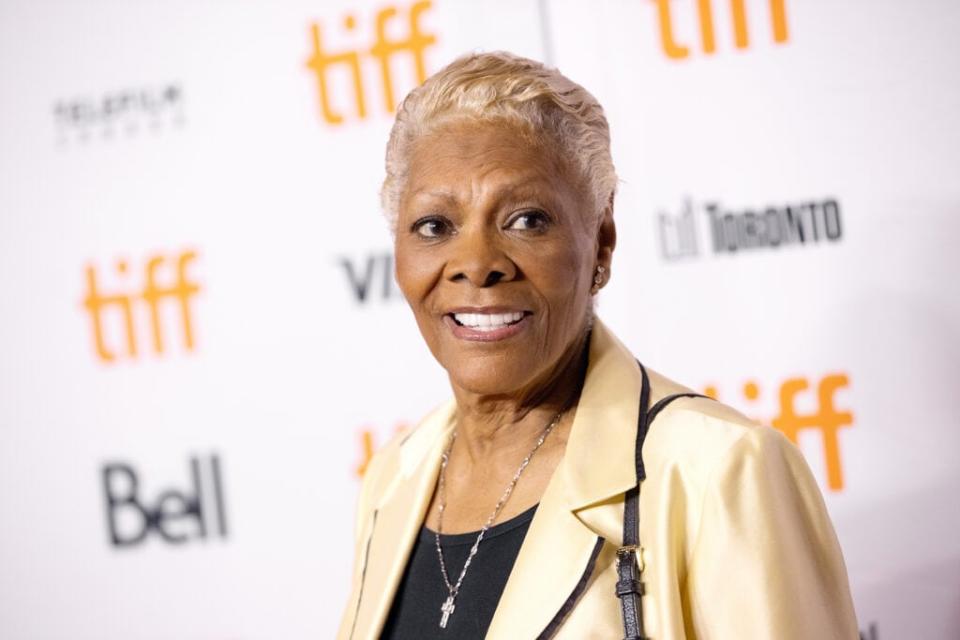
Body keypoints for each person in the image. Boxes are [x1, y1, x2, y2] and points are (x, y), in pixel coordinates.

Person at [336, 51, 858, 640]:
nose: (476, 265)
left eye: (527, 220)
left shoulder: (717, 470)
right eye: (434, 226)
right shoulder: (394, 477)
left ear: (601, 244)